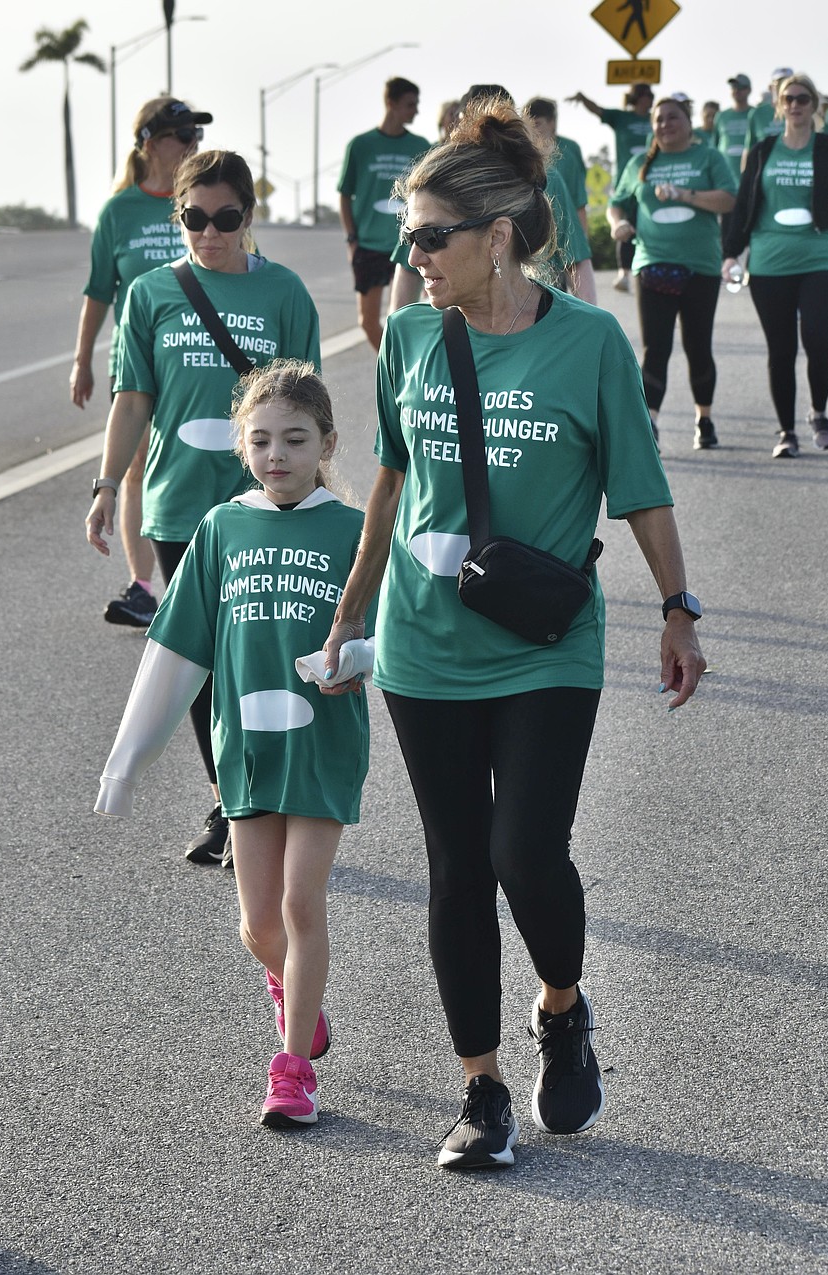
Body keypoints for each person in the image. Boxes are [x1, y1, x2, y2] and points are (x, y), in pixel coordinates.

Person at [322, 98, 706, 1172]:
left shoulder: (586, 343)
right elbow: (392, 483)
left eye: (429, 236)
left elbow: (638, 485)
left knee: (523, 852)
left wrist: (677, 609)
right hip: (424, 641)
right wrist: (352, 610)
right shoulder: (408, 334)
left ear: (497, 236)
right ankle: (480, 1089)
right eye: (406, 235)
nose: (412, 255)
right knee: (456, 866)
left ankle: (562, 1007)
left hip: (545, 638)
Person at [94, 359, 376, 1128]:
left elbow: (397, 637)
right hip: (245, 750)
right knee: (257, 923)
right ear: (240, 446)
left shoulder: (356, 531)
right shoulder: (221, 527)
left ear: (326, 442)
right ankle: (298, 1000)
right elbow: (178, 650)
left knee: (299, 901)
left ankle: (292, 1072)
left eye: (295, 438)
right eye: (260, 440)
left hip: (323, 745)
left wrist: (353, 657)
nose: (277, 453)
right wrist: (129, 758)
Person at [85, 150, 321, 866]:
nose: (210, 232)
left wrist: (308, 499)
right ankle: (231, 803)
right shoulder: (151, 294)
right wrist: (104, 486)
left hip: (261, 504)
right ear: (177, 215)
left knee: (253, 656)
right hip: (180, 504)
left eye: (226, 219)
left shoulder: (285, 294)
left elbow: (309, 408)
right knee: (198, 662)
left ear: (248, 217)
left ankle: (267, 794)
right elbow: (133, 399)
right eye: (194, 218)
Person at [72, 97, 212, 627]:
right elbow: (97, 290)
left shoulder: (204, 204)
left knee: (197, 461)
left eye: (195, 137)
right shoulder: (119, 211)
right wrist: (82, 360)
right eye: (182, 136)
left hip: (197, 361)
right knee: (137, 468)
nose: (192, 145)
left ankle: (201, 573)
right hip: (135, 362)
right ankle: (142, 585)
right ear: (150, 142)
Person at [608, 96, 736, 450]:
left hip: (701, 266)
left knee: (698, 347)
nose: (665, 124)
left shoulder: (709, 158)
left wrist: (685, 194)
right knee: (655, 348)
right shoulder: (639, 164)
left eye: (672, 117)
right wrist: (618, 223)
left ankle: (704, 418)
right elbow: (616, 203)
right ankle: (651, 423)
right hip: (652, 264)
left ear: (688, 121)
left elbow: (729, 199)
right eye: (659, 119)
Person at [723, 74, 828, 457]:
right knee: (781, 349)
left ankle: (819, 414)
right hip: (769, 262)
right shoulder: (762, 150)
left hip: (820, 254)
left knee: (819, 339)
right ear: (779, 105)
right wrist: (730, 252)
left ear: (815, 105)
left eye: (803, 98)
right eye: (788, 98)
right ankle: (787, 431)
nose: (795, 104)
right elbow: (744, 205)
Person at [338, 77, 430, 350]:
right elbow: (345, 194)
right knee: (367, 321)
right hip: (368, 245)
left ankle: (400, 370)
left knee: (404, 320)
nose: (415, 110)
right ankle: (391, 367)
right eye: (410, 104)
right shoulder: (360, 145)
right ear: (390, 103)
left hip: (406, 246)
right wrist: (351, 238)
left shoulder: (421, 145)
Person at [567, 83, 654, 290]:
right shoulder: (622, 118)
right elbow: (599, 110)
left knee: (647, 223)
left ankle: (650, 266)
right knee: (623, 224)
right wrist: (583, 97)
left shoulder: (656, 119)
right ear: (638, 98)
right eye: (648, 94)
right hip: (626, 183)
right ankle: (624, 274)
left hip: (652, 182)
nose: (651, 98)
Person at [524, 97, 596, 304]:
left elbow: (578, 200)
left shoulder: (568, 151)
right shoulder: (524, 156)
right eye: (528, 125)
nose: (534, 131)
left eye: (538, 124)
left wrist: (582, 242)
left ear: (552, 123)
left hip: (562, 236)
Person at [744, 68, 794, 160]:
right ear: (771, 88)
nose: (784, 87)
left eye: (788, 83)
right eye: (779, 83)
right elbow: (748, 149)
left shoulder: (799, 111)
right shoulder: (757, 113)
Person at [714, 76, 754, 182]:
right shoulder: (721, 116)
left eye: (741, 88)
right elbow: (715, 145)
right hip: (726, 177)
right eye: (733, 87)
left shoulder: (756, 114)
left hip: (751, 176)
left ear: (749, 90)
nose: (737, 90)